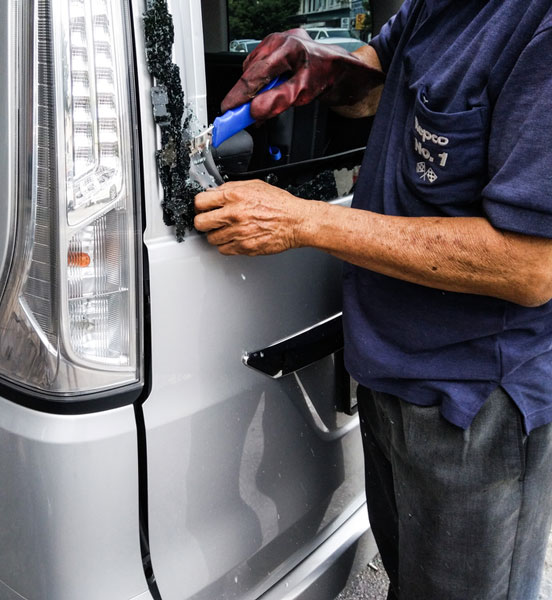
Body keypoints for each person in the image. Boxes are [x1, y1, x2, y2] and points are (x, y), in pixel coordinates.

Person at [194, 2, 552, 598]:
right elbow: (374, 89)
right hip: (388, 377)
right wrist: (325, 66)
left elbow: (531, 265)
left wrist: (304, 222)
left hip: (473, 407)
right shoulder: (432, 7)